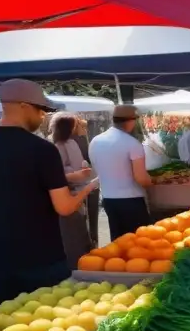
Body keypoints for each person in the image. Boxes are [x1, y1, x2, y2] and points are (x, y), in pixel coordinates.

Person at [0, 79, 97, 301]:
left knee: (11, 322)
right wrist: (89, 187)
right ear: (24, 105)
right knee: (52, 322)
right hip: (43, 257)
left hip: (0, 258)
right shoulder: (43, 150)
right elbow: (64, 207)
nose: (43, 116)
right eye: (41, 109)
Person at [89, 105, 152, 238]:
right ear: (131, 121)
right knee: (138, 241)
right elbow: (141, 178)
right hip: (131, 200)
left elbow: (96, 169)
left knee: (118, 241)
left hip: (108, 198)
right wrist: (152, 182)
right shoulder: (132, 143)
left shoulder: (95, 141)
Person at [51, 114, 94, 268]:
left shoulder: (72, 142)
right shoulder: (57, 146)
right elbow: (56, 175)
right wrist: (77, 174)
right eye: (76, 125)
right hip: (70, 194)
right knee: (73, 235)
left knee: (82, 231)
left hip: (80, 191)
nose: (79, 127)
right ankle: (76, 266)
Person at [71, 117, 99, 247]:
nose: (85, 130)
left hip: (86, 182)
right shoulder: (78, 141)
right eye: (83, 127)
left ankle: (92, 241)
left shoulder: (80, 140)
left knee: (89, 218)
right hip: (85, 184)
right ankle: (92, 242)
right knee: (89, 218)